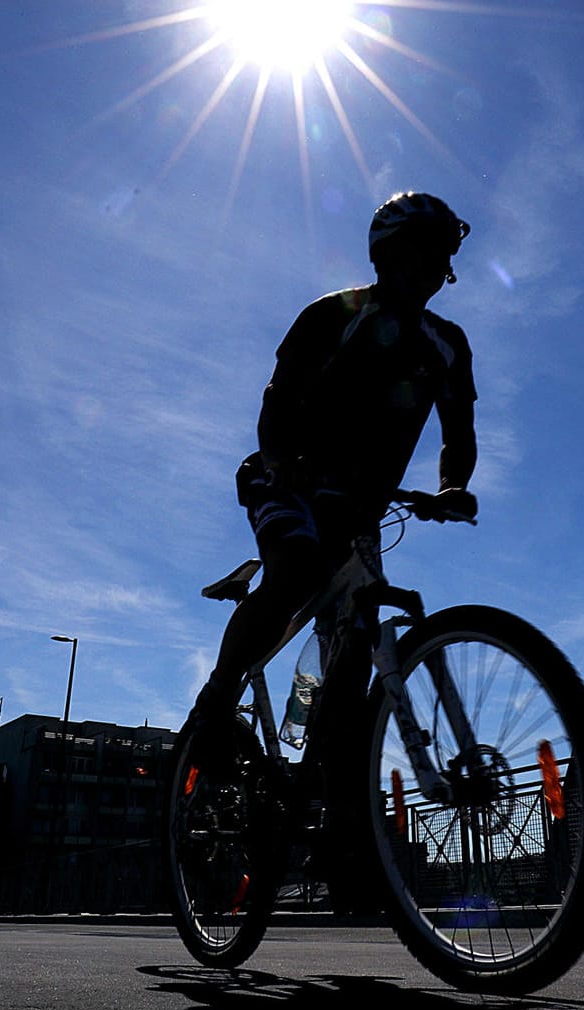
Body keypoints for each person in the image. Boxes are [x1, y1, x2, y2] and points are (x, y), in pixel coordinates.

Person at [188, 191, 479, 736]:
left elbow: (458, 433)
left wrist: (451, 487)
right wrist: (282, 461)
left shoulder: (448, 345)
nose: (436, 266)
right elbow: (276, 401)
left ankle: (335, 769)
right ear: (388, 256)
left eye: (444, 255)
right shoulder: (334, 315)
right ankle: (216, 699)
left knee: (358, 633)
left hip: (359, 509)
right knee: (293, 572)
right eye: (423, 250)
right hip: (285, 481)